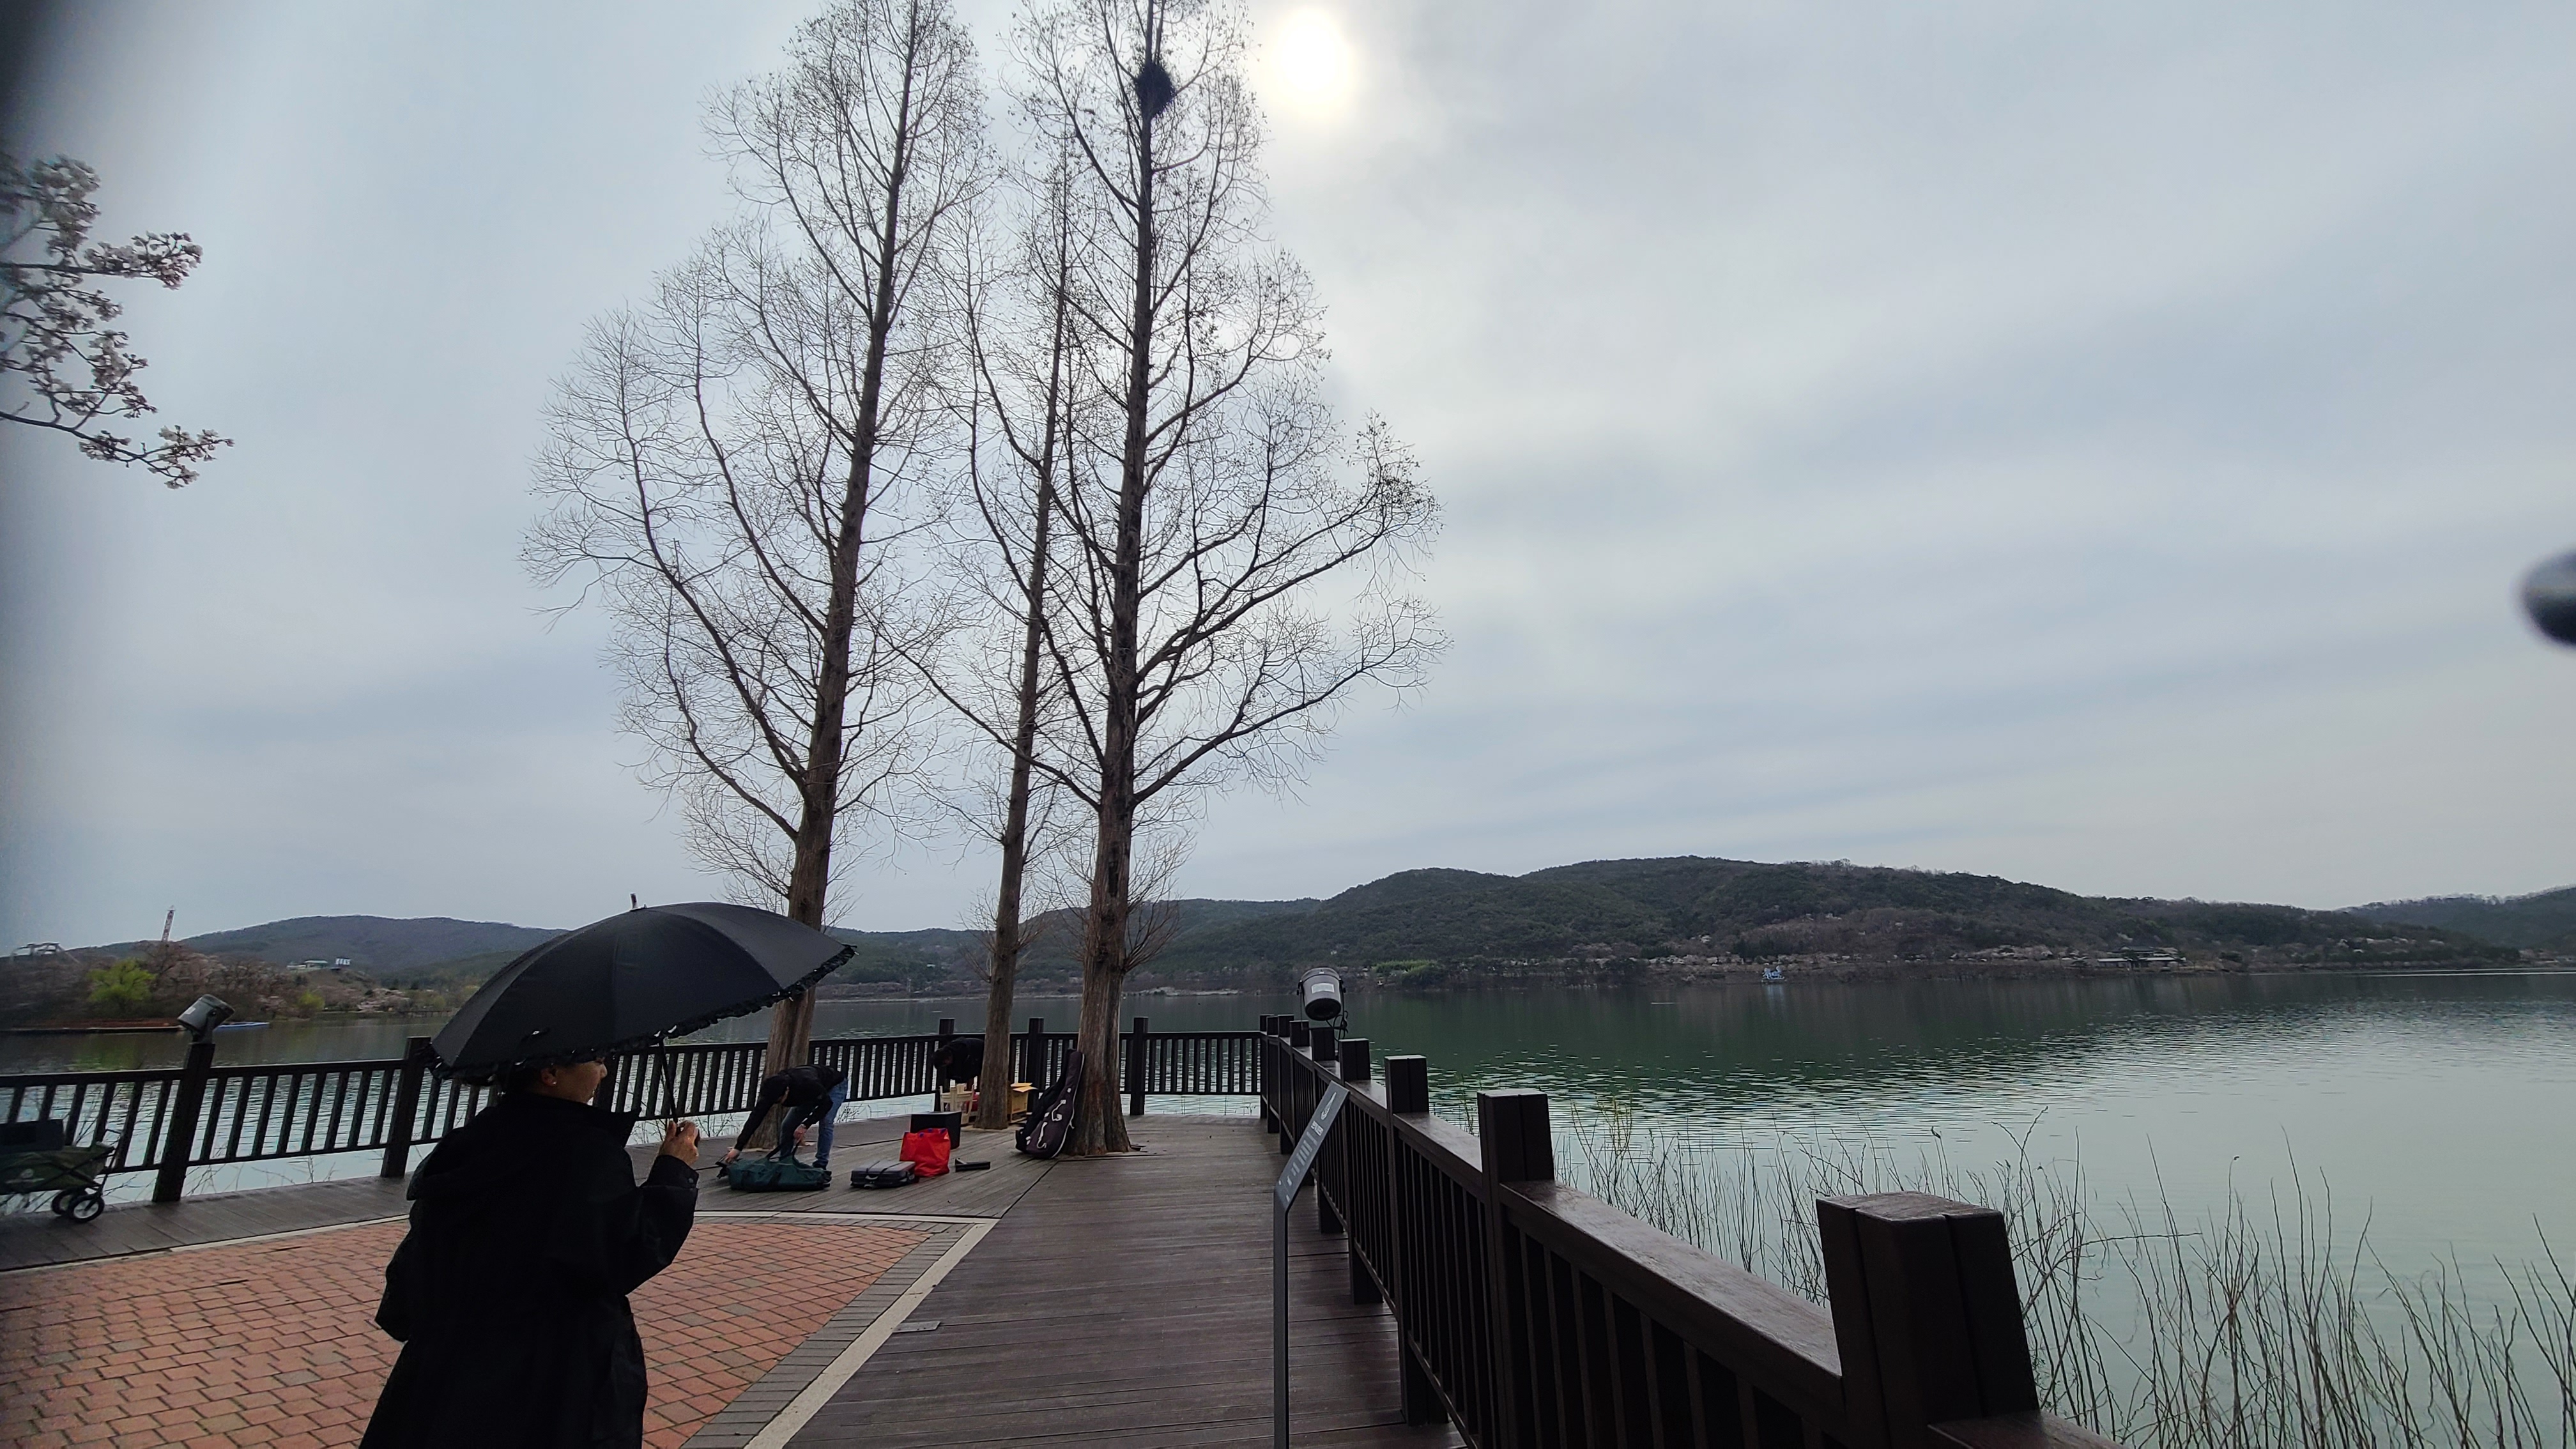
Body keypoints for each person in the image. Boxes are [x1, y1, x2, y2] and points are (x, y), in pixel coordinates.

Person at [361, 1055, 700, 1449]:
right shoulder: (585, 1152)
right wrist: (672, 1171)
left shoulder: (468, 1142)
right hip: (557, 1377)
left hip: (449, 1373)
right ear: (550, 1073)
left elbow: (417, 1265)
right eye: (595, 1062)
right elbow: (624, 1254)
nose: (604, 1072)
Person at [720, 1063, 847, 1168]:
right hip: (808, 1094)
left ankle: (821, 1164)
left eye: (779, 1101)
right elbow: (755, 1119)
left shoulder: (807, 1083)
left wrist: (805, 1125)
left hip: (834, 1086)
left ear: (787, 1091)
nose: (779, 1104)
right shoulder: (772, 1091)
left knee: (826, 1122)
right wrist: (738, 1148)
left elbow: (826, 1104)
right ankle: (785, 1162)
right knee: (787, 1126)